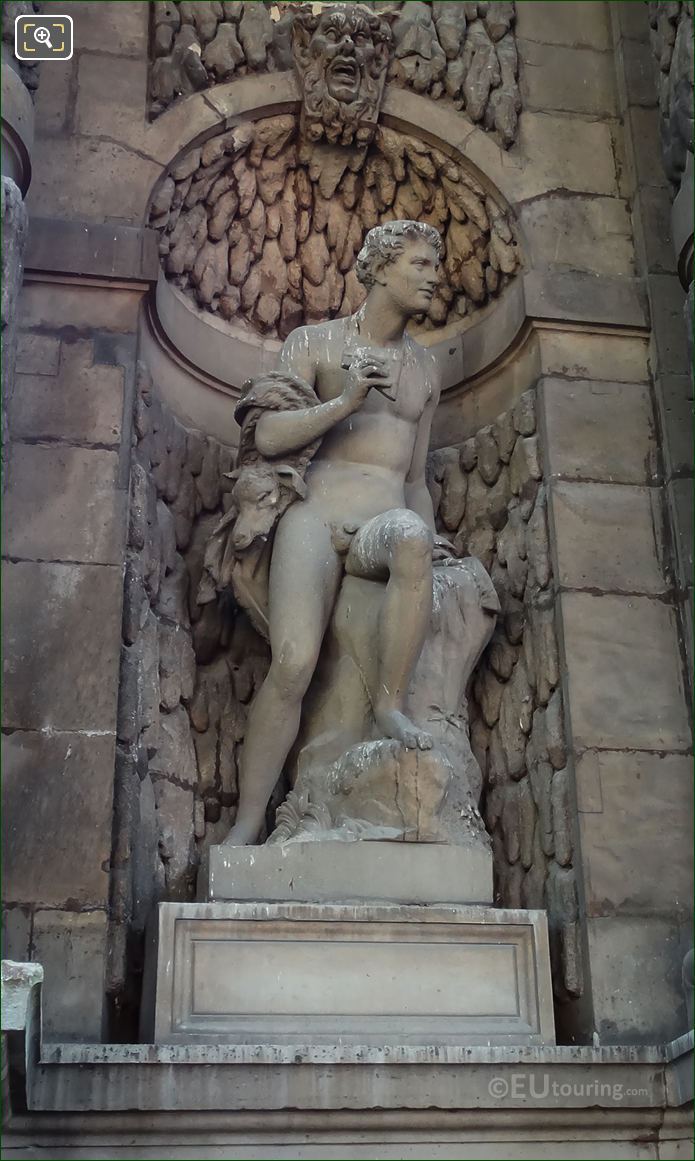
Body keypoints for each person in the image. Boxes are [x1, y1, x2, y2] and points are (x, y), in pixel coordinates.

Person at [225, 220, 453, 845]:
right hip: (316, 517)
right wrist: (346, 401)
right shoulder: (315, 343)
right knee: (293, 663)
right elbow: (265, 436)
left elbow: (414, 482)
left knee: (410, 534)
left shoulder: (425, 370)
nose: (435, 275)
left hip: (383, 519)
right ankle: (248, 822)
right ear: (381, 269)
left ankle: (389, 702)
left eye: (436, 264)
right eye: (422, 263)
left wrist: (431, 546)